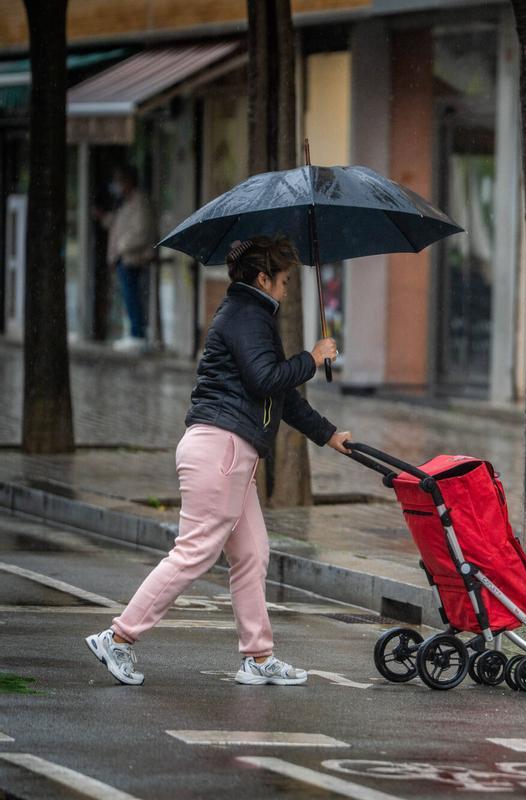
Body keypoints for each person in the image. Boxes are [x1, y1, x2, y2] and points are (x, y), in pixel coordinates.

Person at [86, 235, 352, 687]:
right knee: (193, 553)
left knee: (251, 554)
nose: (287, 289)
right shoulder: (246, 316)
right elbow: (267, 377)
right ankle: (119, 637)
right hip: (222, 448)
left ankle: (258, 657)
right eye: (284, 280)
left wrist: (328, 435)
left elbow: (281, 394)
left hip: (230, 452)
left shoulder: (253, 315)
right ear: (263, 278)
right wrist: (312, 357)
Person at [96, 165, 157, 352]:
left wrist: (121, 248)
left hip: (132, 258)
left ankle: (137, 334)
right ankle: (134, 332)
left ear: (129, 182)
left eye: (120, 181)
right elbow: (118, 225)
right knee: (128, 296)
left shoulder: (139, 202)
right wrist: (104, 218)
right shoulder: (125, 202)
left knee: (133, 297)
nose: (117, 186)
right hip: (124, 258)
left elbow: (141, 232)